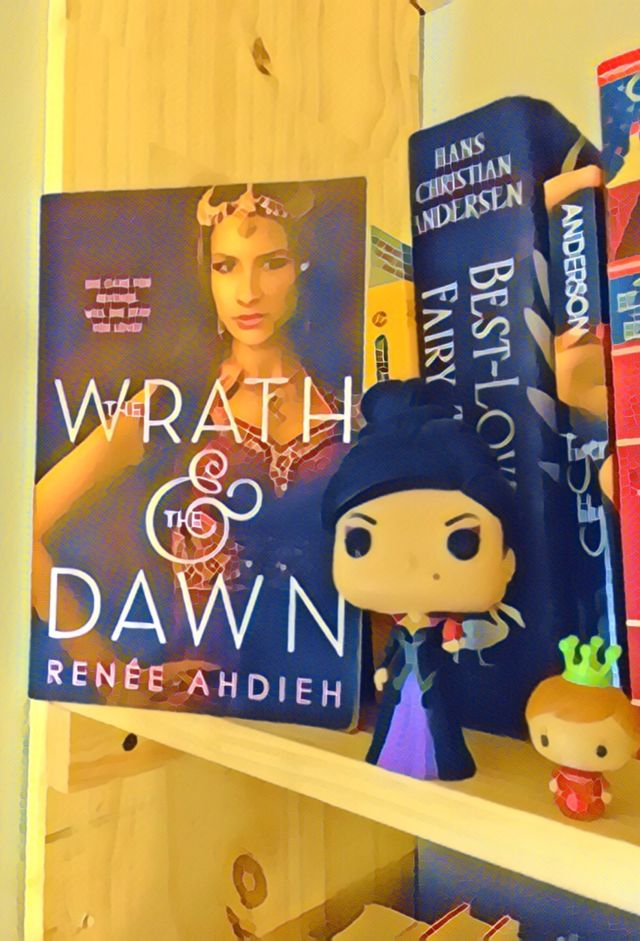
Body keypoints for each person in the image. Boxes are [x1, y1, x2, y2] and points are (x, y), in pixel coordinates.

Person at [322, 379, 518, 780]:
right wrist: (383, 669)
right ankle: (395, 755)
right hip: (403, 683)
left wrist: (461, 640)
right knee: (399, 718)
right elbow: (393, 650)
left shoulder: (443, 628)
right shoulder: (399, 627)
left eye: (461, 541)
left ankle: (443, 762)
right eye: (361, 541)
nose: (410, 563)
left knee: (439, 721)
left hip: (433, 683)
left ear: (507, 561)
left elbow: (460, 645)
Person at [526, 635, 640, 821]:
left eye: (601, 750)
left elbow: (601, 788)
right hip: (564, 799)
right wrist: (556, 785)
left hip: (592, 805)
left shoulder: (594, 780)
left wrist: (604, 795)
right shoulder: (562, 773)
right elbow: (557, 780)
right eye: (545, 739)